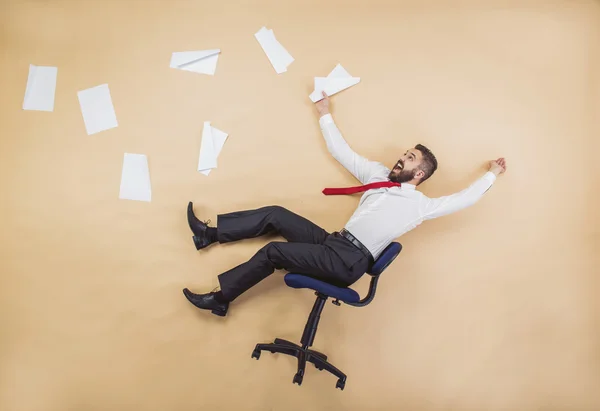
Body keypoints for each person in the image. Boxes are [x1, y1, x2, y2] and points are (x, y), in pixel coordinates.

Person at [183, 92, 507, 316]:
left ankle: (221, 298)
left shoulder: (420, 205)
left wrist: (491, 175)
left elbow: (463, 199)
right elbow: (343, 153)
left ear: (419, 173)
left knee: (273, 253)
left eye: (408, 158)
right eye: (404, 153)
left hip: (347, 262)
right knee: (275, 214)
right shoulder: (379, 175)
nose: (400, 158)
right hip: (334, 243)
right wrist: (325, 114)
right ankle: (210, 235)